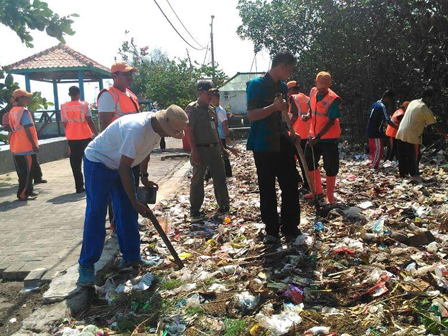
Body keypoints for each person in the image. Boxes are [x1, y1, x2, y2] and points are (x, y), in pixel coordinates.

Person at [77, 105, 188, 286]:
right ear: (164, 124)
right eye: (171, 132)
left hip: (121, 165)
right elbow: (124, 168)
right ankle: (86, 265)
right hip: (98, 162)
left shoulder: (157, 129)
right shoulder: (136, 129)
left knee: (127, 211)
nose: (170, 135)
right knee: (96, 212)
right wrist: (135, 200)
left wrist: (144, 177)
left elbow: (144, 153)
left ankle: (131, 257)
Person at [246, 51, 301, 244]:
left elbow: (281, 117)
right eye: (290, 69)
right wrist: (273, 107)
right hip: (263, 144)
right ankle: (272, 229)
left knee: (291, 185)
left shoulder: (283, 86)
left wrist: (291, 132)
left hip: (282, 142)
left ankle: (291, 226)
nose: (290, 73)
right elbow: (252, 115)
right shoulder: (256, 85)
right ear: (282, 66)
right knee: (267, 188)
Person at [97, 61, 140, 230]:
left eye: (130, 74)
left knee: (131, 186)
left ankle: (129, 221)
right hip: (118, 151)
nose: (130, 77)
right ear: (115, 76)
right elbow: (105, 126)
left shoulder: (130, 94)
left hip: (131, 148)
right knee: (119, 188)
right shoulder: (108, 95)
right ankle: (117, 223)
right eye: (125, 74)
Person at [185, 81, 231, 223]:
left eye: (213, 93)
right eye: (208, 93)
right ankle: (195, 210)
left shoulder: (211, 109)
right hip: (200, 149)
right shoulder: (193, 109)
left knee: (220, 178)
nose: (211, 96)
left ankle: (224, 206)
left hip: (215, 148)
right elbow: (189, 131)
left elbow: (215, 130)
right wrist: (194, 151)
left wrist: (222, 149)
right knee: (198, 180)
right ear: (200, 92)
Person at [302, 72, 341, 205]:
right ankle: (317, 190)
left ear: (330, 84)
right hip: (314, 136)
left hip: (328, 139)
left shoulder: (333, 99)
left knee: (330, 167)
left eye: (325, 87)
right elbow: (311, 109)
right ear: (315, 83)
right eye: (320, 86)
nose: (322, 89)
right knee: (309, 161)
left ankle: (330, 196)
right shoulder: (313, 92)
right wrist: (307, 116)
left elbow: (330, 121)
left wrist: (318, 137)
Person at [396, 87, 448, 180]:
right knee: (412, 157)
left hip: (400, 131)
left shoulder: (413, 102)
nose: (432, 101)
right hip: (411, 134)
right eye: (432, 98)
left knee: (402, 156)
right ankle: (414, 176)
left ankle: (403, 176)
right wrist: (445, 136)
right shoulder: (424, 108)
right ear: (428, 97)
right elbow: (434, 125)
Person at [61, 86, 98, 193]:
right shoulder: (84, 105)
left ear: (69, 94)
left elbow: (64, 122)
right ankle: (90, 185)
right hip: (85, 136)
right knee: (88, 161)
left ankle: (79, 187)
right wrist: (96, 133)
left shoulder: (64, 106)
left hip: (72, 137)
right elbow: (89, 121)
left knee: (75, 163)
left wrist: (71, 129)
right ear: (79, 94)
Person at [8, 89, 39, 201]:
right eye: (26, 97)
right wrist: (34, 144)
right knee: (27, 172)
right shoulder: (23, 111)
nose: (28, 99)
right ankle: (22, 194)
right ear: (20, 98)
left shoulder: (12, 111)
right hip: (25, 146)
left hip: (17, 145)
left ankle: (28, 191)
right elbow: (27, 130)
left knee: (24, 171)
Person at [287, 80, 310, 191]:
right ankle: (308, 182)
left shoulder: (293, 98)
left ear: (291, 89)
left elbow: (294, 115)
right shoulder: (306, 98)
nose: (287, 93)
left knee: (289, 158)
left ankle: (299, 180)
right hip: (307, 133)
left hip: (297, 133)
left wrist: (287, 125)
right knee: (305, 161)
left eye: (288, 90)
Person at [366, 90, 397, 169]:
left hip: (370, 129)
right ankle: (374, 166)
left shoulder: (375, 104)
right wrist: (397, 128)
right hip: (375, 131)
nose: (390, 102)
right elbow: (388, 120)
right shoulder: (382, 106)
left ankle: (373, 163)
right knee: (378, 149)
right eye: (390, 100)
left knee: (373, 149)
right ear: (387, 98)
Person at [211, 88, 232, 177]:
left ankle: (228, 173)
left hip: (221, 136)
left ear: (218, 99)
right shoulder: (213, 110)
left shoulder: (220, 110)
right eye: (211, 99)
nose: (212, 101)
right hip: (215, 136)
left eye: (214, 99)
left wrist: (227, 136)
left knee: (224, 155)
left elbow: (225, 123)